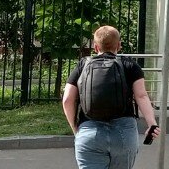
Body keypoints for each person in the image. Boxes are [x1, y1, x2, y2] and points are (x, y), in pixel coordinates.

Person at [62, 25, 161, 169]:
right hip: (124, 134)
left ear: (96, 47)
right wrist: (152, 123)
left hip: (89, 132)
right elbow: (141, 96)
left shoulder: (83, 65)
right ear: (119, 45)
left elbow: (67, 99)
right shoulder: (130, 65)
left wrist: (75, 128)